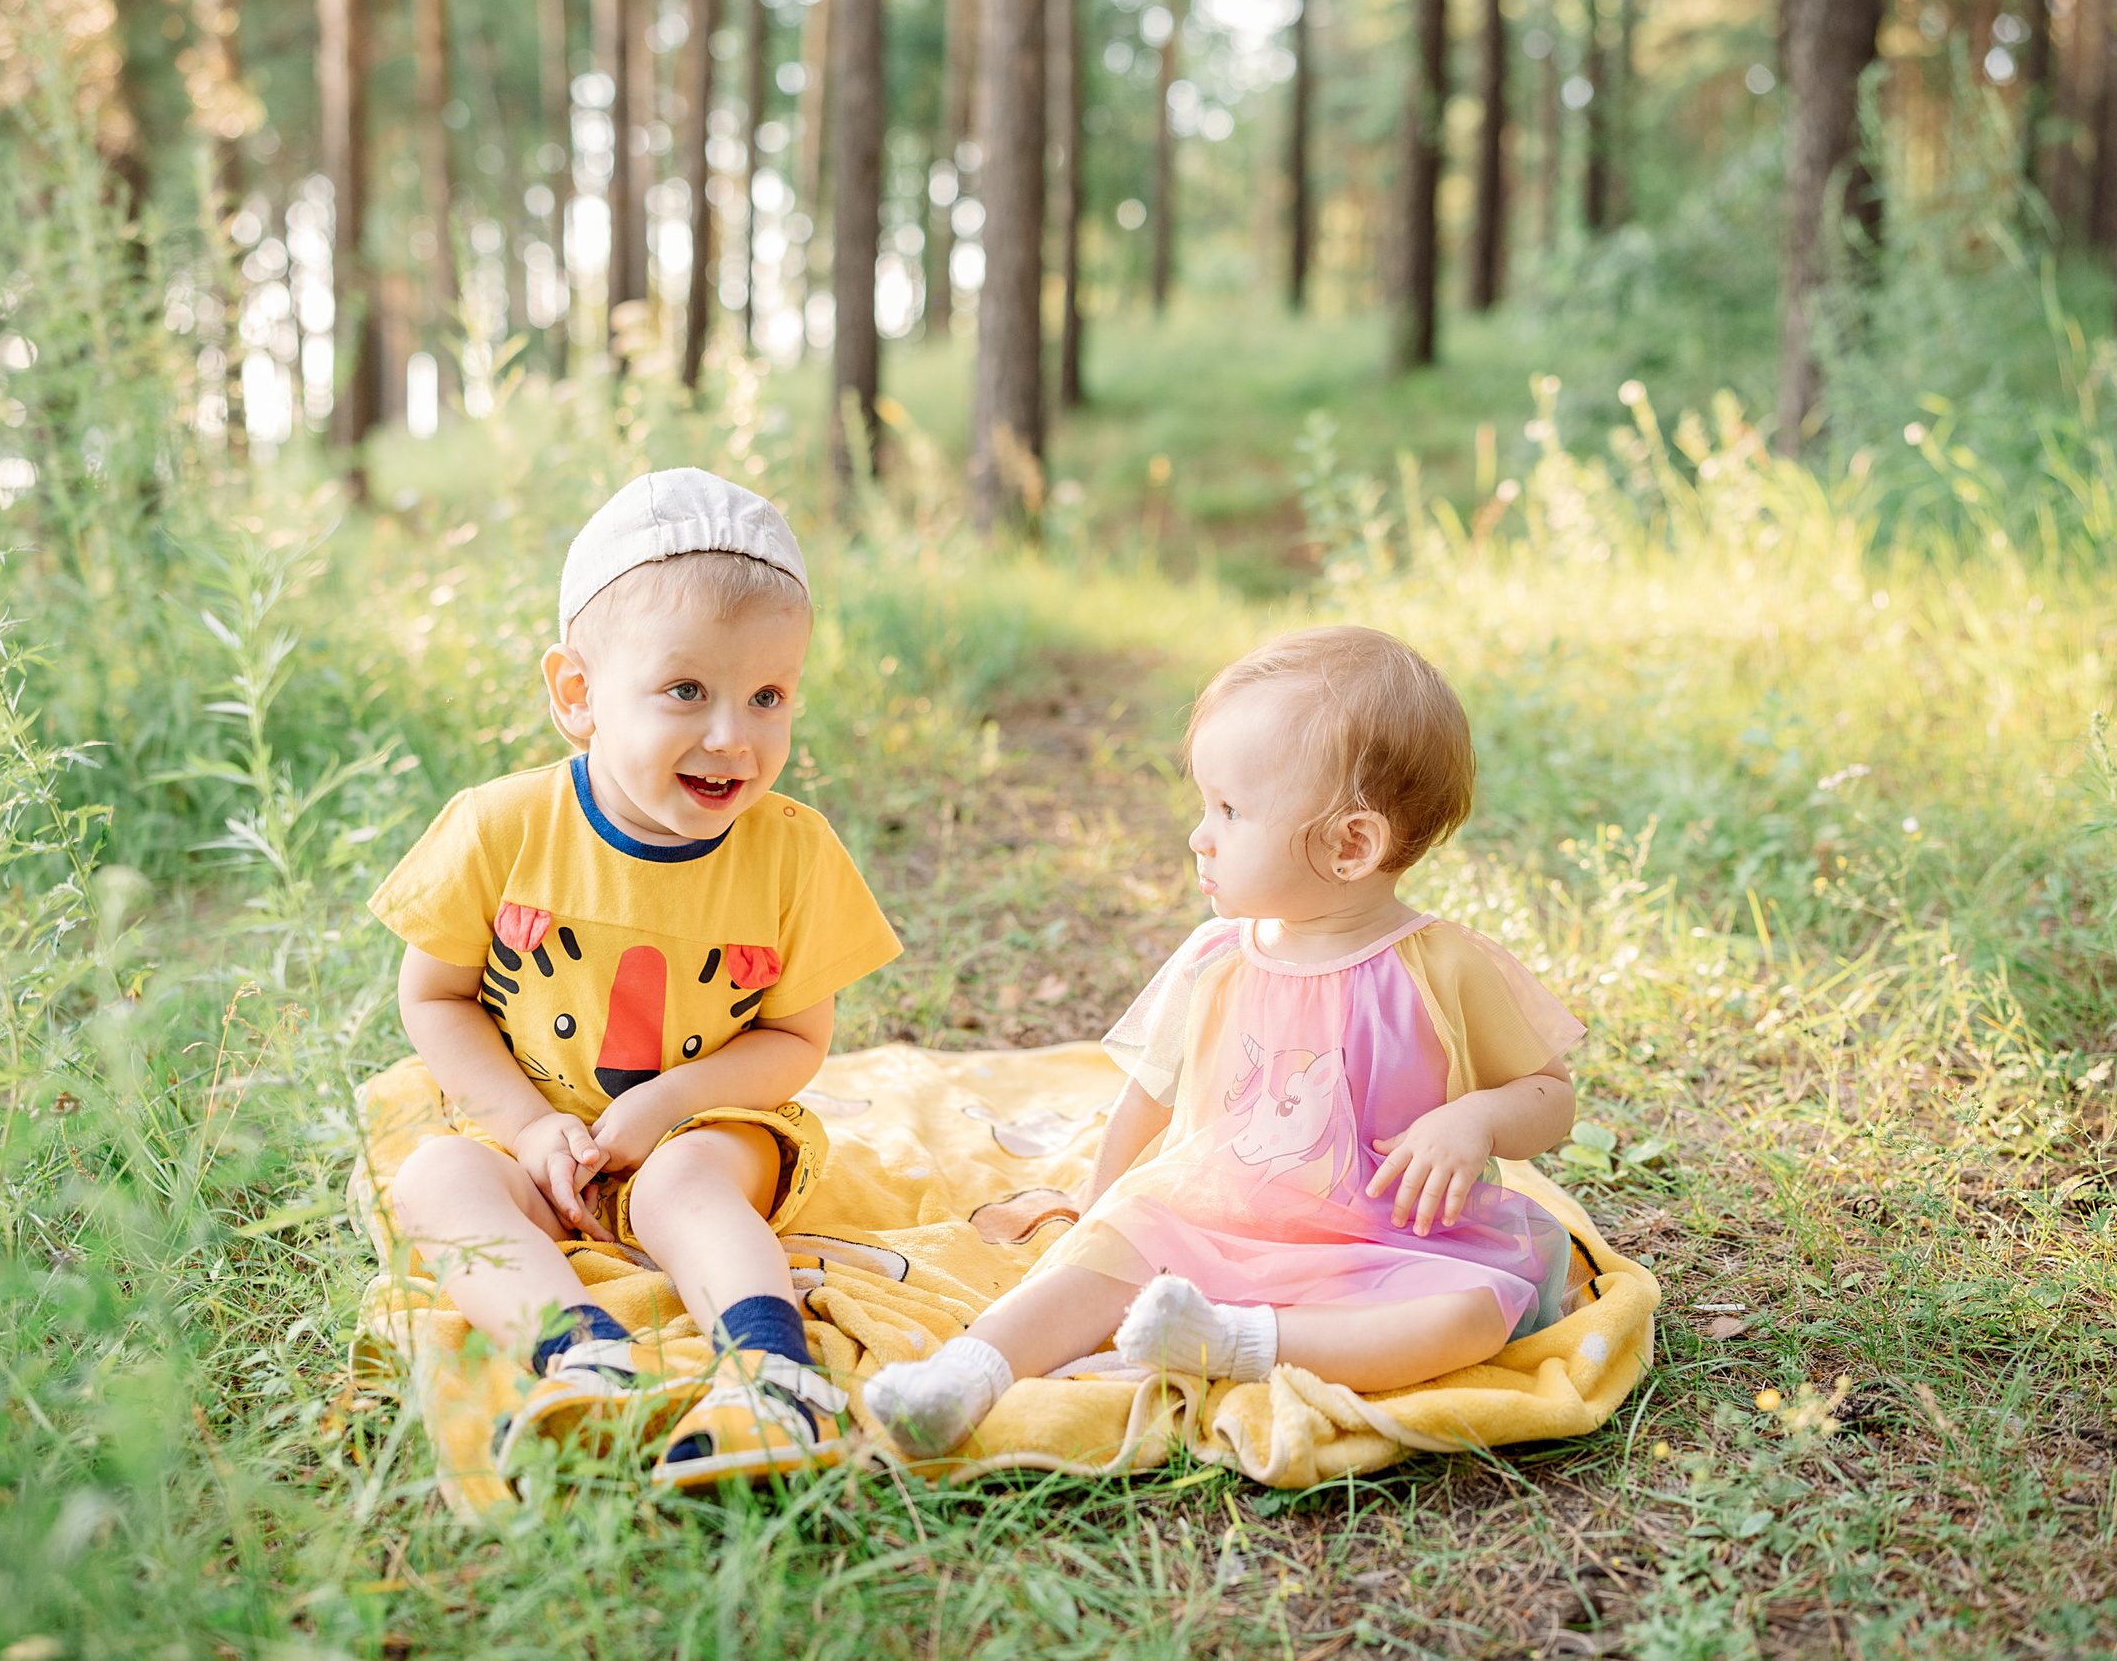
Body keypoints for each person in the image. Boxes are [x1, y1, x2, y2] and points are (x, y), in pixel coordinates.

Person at [865, 626, 1584, 1457]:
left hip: (1384, 1238)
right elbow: (1148, 1097)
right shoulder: (1215, 959)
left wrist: (1478, 1121)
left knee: (1470, 1317)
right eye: (1206, 805)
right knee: (1095, 1266)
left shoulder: (1444, 967)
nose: (1199, 836)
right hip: (1213, 1214)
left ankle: (1233, 1341)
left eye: (1231, 812)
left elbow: (1551, 1097)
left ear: (1352, 845)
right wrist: (1099, 1211)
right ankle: (962, 1376)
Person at [370, 468, 900, 1489]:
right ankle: (583, 1357)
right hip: (534, 1135)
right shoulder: (500, 829)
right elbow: (433, 997)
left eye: (768, 696)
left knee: (681, 1182)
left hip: (708, 1132)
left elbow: (795, 1037)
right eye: (685, 690)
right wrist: (529, 1128)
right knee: (434, 1179)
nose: (732, 736)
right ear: (578, 694)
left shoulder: (793, 855)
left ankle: (776, 1379)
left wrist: (669, 1104)